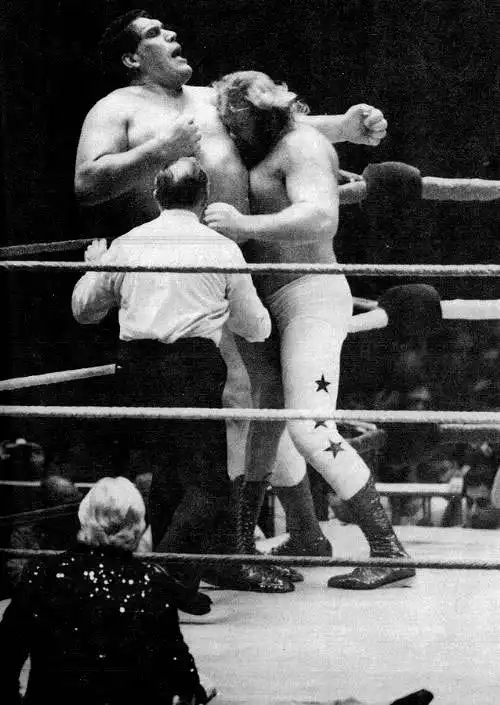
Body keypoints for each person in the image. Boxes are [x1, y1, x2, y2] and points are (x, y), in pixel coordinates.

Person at [74, 9, 388, 589]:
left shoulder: (205, 99)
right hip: (184, 277)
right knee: (236, 412)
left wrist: (343, 127)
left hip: (240, 267)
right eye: (154, 34)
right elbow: (87, 181)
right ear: (131, 57)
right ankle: (222, 554)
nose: (172, 35)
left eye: (169, 28)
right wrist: (160, 148)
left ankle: (272, 540)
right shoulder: (115, 108)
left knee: (262, 404)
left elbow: (275, 122)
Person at [205, 70, 415, 590]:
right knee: (264, 424)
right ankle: (261, 545)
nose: (232, 132)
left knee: (310, 427)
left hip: (309, 294)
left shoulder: (302, 146)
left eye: (236, 120)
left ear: (255, 112)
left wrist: (245, 226)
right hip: (269, 297)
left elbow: (321, 217)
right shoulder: (270, 142)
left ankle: (389, 550)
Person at [71, 157, 296, 592]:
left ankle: (181, 581)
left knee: (168, 474)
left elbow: (84, 310)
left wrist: (96, 266)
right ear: (204, 197)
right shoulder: (220, 249)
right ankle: (165, 574)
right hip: (190, 366)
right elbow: (255, 326)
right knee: (211, 485)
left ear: (157, 194)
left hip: (134, 367)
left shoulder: (129, 244)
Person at [0, 476, 215, 705]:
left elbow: (6, 657)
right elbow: (182, 672)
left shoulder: (42, 575)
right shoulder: (151, 582)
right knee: (201, 685)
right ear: (138, 526)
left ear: (84, 519)